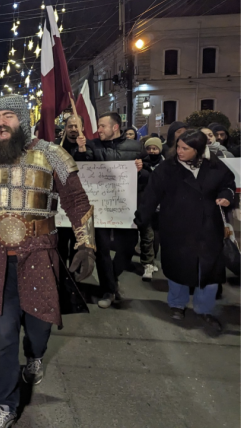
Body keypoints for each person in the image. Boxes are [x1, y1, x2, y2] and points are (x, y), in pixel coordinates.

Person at [0, 95, 95, 427]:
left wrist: (87, 245)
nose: (1, 122)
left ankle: (36, 356)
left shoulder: (51, 153)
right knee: (0, 335)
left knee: (39, 327)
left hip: (39, 256)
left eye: (9, 116)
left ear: (24, 120)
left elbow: (77, 200)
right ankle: (5, 404)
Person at [136, 130, 235, 331]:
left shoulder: (215, 166)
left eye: (185, 148)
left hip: (209, 227)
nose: (179, 151)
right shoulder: (167, 169)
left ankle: (204, 309)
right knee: (178, 268)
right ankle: (177, 304)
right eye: (178, 147)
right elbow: (151, 196)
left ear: (198, 150)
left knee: (209, 271)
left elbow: (228, 185)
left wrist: (226, 196)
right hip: (176, 227)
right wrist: (140, 219)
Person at [75, 111, 149, 308]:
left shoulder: (135, 147)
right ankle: (108, 289)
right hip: (101, 207)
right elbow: (83, 168)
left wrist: (141, 171)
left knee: (127, 248)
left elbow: (148, 177)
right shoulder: (92, 145)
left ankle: (112, 278)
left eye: (102, 126)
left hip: (126, 208)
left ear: (115, 127)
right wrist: (81, 151)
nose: (98, 130)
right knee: (103, 249)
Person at [56, 115, 85, 268]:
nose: (73, 129)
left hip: (80, 207)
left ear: (83, 128)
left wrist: (81, 150)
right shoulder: (55, 147)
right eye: (70, 126)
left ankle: (74, 281)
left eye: (77, 126)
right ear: (65, 128)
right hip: (60, 208)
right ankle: (60, 281)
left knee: (77, 245)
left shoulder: (90, 147)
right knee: (60, 246)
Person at [140, 137, 165, 281]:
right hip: (148, 205)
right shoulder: (143, 164)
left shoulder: (167, 164)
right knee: (147, 237)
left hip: (163, 207)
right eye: (149, 149)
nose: (152, 151)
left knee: (157, 237)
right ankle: (147, 264)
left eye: (154, 148)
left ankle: (154, 259)